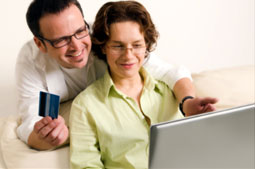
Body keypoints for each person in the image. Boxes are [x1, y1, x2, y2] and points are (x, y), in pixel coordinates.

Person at [16, 0, 218, 150]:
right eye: (61, 40)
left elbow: (167, 71)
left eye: (80, 31)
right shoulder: (30, 61)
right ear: (40, 44)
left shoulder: (106, 35)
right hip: (72, 116)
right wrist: (45, 138)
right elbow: (30, 120)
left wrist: (187, 102)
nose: (77, 46)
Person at [69, 1, 218, 168]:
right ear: (103, 47)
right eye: (118, 46)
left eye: (137, 45)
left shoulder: (168, 90)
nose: (128, 55)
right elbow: (86, 166)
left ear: (146, 45)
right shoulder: (85, 105)